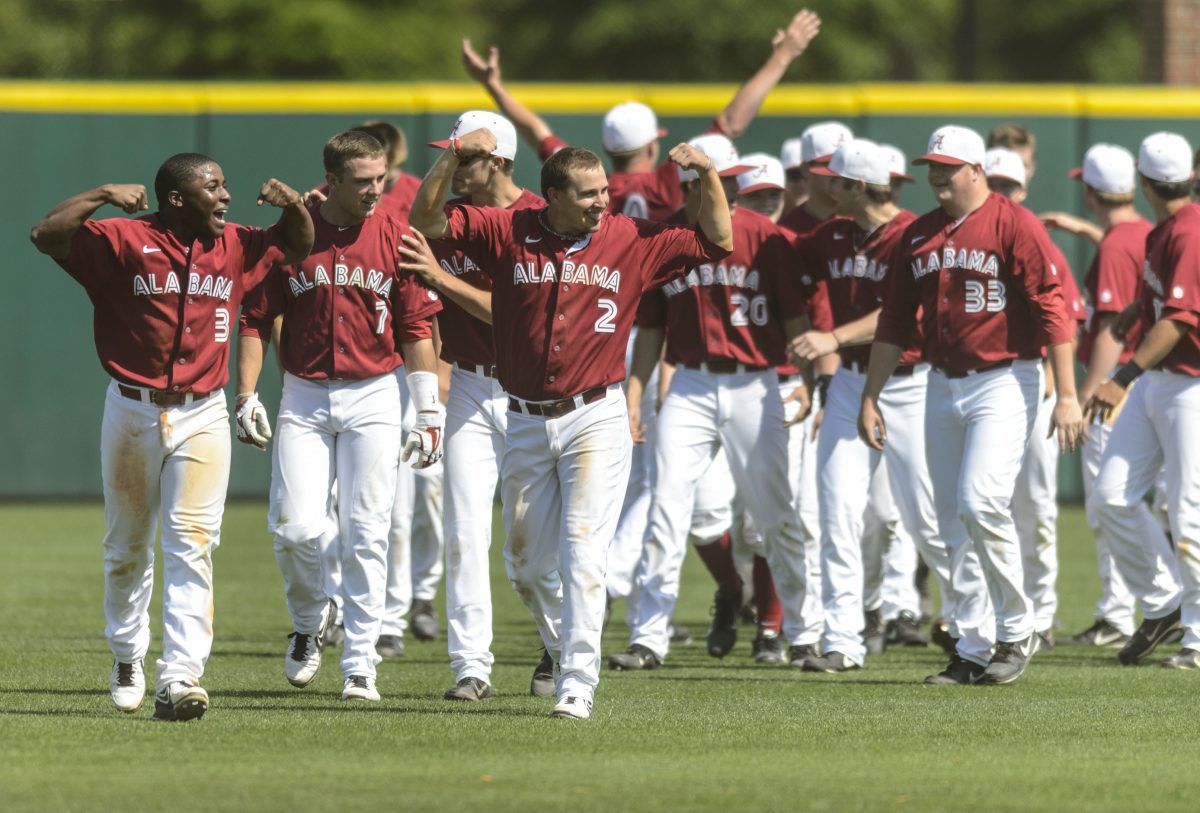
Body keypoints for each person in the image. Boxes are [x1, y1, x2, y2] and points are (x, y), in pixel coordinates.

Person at [409, 131, 734, 720]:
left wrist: (708, 175)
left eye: (604, 191)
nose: (600, 202)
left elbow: (718, 238)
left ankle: (578, 683)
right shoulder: (509, 230)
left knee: (584, 555)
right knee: (527, 566)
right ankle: (563, 647)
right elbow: (426, 219)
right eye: (586, 194)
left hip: (597, 416)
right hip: (526, 418)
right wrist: (453, 155)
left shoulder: (629, 238)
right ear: (551, 195)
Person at [30, 153, 313, 720]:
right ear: (178, 199)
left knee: (194, 542)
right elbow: (46, 234)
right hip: (132, 408)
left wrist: (297, 205)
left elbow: (297, 245)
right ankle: (127, 654)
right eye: (213, 187)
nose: (226, 196)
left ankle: (181, 674)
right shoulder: (124, 239)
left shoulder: (235, 243)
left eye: (226, 185)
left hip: (203, 410)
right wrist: (103, 189)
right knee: (126, 546)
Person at [859, 124, 1085, 686]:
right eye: (932, 164)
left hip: (1005, 379)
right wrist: (871, 394)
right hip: (942, 380)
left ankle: (1016, 627)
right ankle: (972, 644)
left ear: (977, 170)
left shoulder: (1015, 222)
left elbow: (1053, 307)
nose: (937, 173)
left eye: (949, 165)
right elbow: (893, 320)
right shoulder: (919, 234)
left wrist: (1068, 394)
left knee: (980, 500)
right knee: (949, 520)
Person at [236, 130, 443, 703]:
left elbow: (418, 329)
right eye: (362, 181)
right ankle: (309, 620)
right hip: (303, 393)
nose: (376, 189)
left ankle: (360, 663)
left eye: (380, 178)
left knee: (368, 532)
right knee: (297, 528)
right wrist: (247, 392)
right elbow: (254, 317)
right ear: (330, 181)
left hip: (376, 392)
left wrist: (428, 410)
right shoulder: (296, 232)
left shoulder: (396, 234)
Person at [607, 133, 812, 672]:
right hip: (691, 384)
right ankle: (648, 635)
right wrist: (635, 394)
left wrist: (807, 379)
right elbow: (650, 327)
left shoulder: (767, 237)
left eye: (728, 177)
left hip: (756, 382)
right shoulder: (663, 236)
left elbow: (796, 321)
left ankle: (802, 629)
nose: (731, 188)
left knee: (775, 512)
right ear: (693, 184)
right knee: (667, 508)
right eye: (717, 178)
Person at [787, 138, 973, 672]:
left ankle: (970, 627)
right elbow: (776, 256)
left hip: (911, 387)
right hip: (850, 384)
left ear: (858, 187)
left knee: (929, 520)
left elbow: (906, 316)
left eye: (835, 180)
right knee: (836, 511)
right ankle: (843, 641)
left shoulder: (913, 237)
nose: (825, 186)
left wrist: (833, 336)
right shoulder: (834, 234)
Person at [397, 110, 556, 701]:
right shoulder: (456, 216)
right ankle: (471, 666)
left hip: (530, 393)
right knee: (464, 529)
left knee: (530, 546)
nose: (456, 168)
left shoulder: (542, 220)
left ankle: (559, 643)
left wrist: (439, 278)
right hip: (468, 383)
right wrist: (452, 154)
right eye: (452, 158)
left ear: (500, 162)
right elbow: (421, 216)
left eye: (468, 159)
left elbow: (512, 314)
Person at [460, 8, 821, 219]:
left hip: (604, 311)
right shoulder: (669, 179)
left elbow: (537, 132)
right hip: (657, 316)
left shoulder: (586, 182)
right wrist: (782, 56)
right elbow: (732, 122)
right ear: (651, 148)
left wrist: (495, 88)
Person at [1087, 131, 1199, 669]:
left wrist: (1124, 373)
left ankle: (1198, 637)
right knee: (1110, 496)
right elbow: (1166, 300)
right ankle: (1164, 603)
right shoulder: (1166, 229)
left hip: (1190, 386)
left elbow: (1181, 319)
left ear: (1145, 181)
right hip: (1162, 382)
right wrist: (1137, 307)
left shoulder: (1190, 230)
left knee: (1190, 512)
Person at [1044, 143, 1152, 648]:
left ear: (1090, 192)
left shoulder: (1114, 246)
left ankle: (1117, 616)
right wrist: (1085, 231)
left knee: (1108, 508)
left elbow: (1109, 328)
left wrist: (1084, 397)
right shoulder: (1143, 232)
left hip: (1116, 390)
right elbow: (1125, 248)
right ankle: (1132, 612)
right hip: (1151, 385)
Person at [778, 121, 852, 234]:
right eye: (830, 164)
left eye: (845, 163)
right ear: (805, 169)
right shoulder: (786, 232)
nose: (840, 173)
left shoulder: (865, 223)